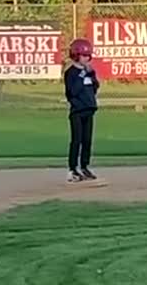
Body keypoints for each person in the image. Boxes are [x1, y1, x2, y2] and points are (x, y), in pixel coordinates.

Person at [63, 38, 100, 183]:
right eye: (84, 56)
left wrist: (91, 75)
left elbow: (94, 88)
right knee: (76, 140)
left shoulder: (89, 71)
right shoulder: (71, 73)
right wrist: (82, 75)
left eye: (88, 56)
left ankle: (84, 166)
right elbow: (72, 91)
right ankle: (72, 169)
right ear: (76, 55)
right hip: (77, 111)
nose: (87, 58)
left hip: (89, 109)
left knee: (87, 141)